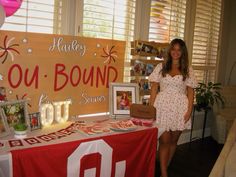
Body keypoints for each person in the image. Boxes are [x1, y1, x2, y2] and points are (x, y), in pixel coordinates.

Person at [149, 38, 197, 177]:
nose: (175, 52)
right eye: (173, 49)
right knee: (164, 140)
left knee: (173, 141)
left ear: (183, 52)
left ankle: (165, 164)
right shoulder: (161, 67)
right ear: (169, 50)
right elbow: (153, 89)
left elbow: (190, 92)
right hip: (162, 107)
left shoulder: (188, 70)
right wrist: (151, 108)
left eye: (179, 49)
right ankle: (164, 173)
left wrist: (189, 111)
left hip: (179, 108)